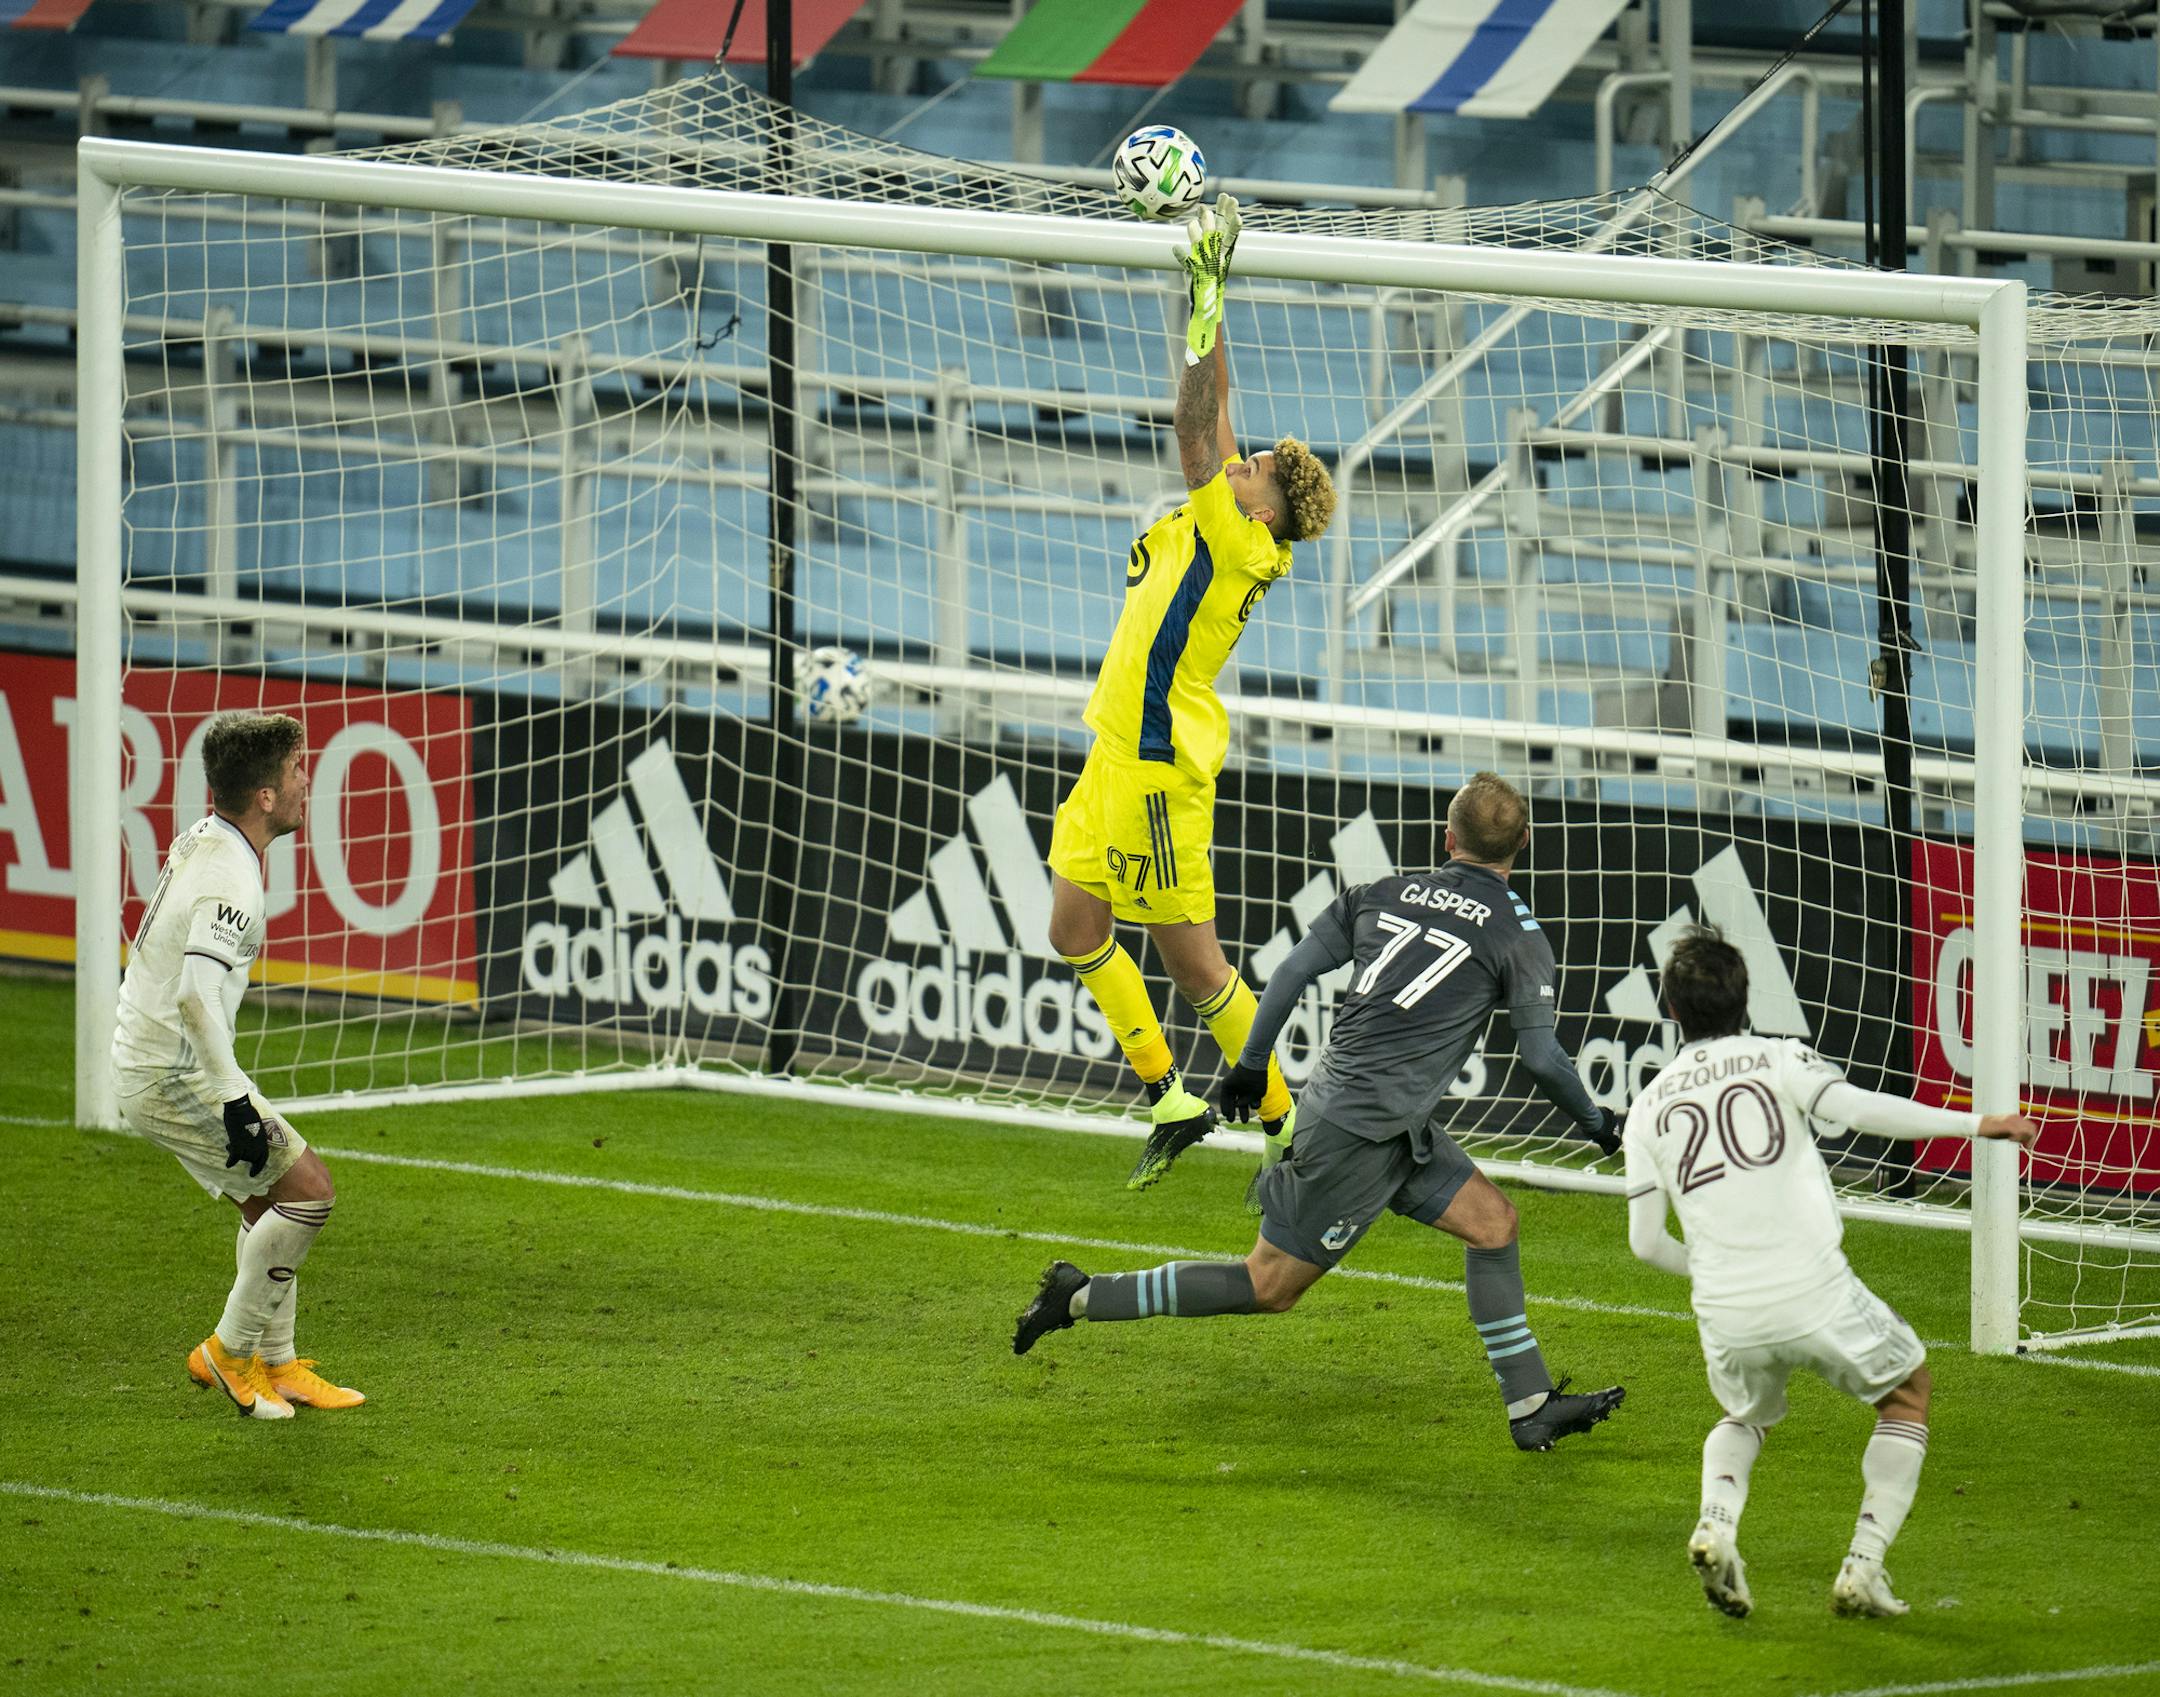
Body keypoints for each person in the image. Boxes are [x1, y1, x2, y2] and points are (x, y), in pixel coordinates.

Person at [1017, 772, 1627, 1454]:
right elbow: (1542, 1059)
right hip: (1355, 1134)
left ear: (1447, 837)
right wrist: (1598, 1124)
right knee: (1268, 1284)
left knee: (1493, 1224)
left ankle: (1532, 1404)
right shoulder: (1520, 935)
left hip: (1390, 1123)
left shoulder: (1379, 893)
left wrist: (1250, 1062)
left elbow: (1289, 973)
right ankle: (1077, 1294)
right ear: (1523, 843)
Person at [1043, 195, 1339, 1191]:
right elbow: (1218, 415)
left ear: (1267, 506)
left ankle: (1287, 1123)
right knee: (1074, 927)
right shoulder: (1239, 516)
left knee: (1197, 964)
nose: (1244, 455)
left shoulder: (1239, 535)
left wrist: (1203, 306)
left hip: (1162, 763)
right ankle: (1169, 1094)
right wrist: (1212, 294)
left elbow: (1192, 424)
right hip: (1113, 746)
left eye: (1254, 465)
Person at [1623, 927, 2037, 1618]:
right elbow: (1857, 1110)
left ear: (1669, 1010)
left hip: (1726, 1304)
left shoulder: (1648, 1105)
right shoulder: (1780, 1055)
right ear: (1745, 998)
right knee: (1907, 1391)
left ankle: (1716, 1522)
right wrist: (1977, 1124)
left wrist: (1718, 1272)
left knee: (1744, 1415)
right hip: (1813, 1285)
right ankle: (1864, 1565)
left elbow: (1645, 1244)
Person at [111, 711, 363, 1420]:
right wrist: (232, 1099)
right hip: (172, 1072)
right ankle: (227, 1351)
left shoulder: (208, 838)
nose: (305, 780)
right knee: (308, 1192)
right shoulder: (233, 880)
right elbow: (194, 994)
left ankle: (276, 1363)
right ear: (263, 796)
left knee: (267, 1204)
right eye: (294, 770)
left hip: (162, 1059)